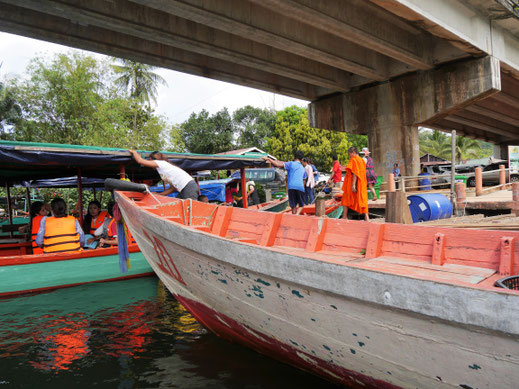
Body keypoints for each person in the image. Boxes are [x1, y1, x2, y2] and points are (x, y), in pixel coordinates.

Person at [129, 149, 198, 200]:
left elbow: (140, 161)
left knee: (189, 209)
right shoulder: (163, 171)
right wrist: (159, 195)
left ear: (153, 160)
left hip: (188, 187)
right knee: (178, 206)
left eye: (150, 160)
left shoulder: (160, 163)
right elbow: (173, 188)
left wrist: (134, 152)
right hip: (185, 188)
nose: (150, 163)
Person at [341, 147, 369, 221]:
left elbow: (355, 173)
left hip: (352, 183)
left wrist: (353, 184)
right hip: (361, 182)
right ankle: (367, 217)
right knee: (362, 199)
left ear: (353, 153)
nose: (349, 156)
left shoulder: (353, 160)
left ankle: (344, 216)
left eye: (349, 154)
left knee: (346, 198)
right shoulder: (362, 160)